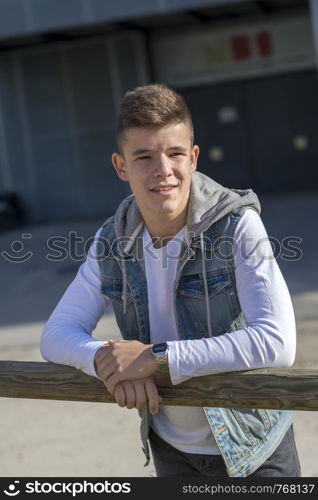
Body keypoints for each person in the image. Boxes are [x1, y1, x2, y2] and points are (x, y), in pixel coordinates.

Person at [40, 83, 300, 477]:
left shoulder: (237, 226)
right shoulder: (111, 241)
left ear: (193, 157)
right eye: (143, 156)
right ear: (120, 166)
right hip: (171, 450)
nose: (163, 170)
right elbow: (56, 333)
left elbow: (277, 342)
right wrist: (106, 361)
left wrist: (154, 359)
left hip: (253, 450)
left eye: (175, 153)